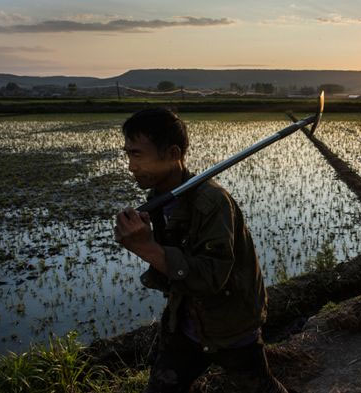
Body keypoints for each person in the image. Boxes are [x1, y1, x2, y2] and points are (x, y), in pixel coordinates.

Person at [114, 108, 288, 393]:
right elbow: (172, 271)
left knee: (260, 388)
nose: (131, 166)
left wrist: (147, 248)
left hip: (231, 326)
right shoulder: (158, 199)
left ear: (172, 154)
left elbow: (210, 278)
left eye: (136, 155)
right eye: (128, 154)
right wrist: (148, 242)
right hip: (184, 323)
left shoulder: (212, 203)